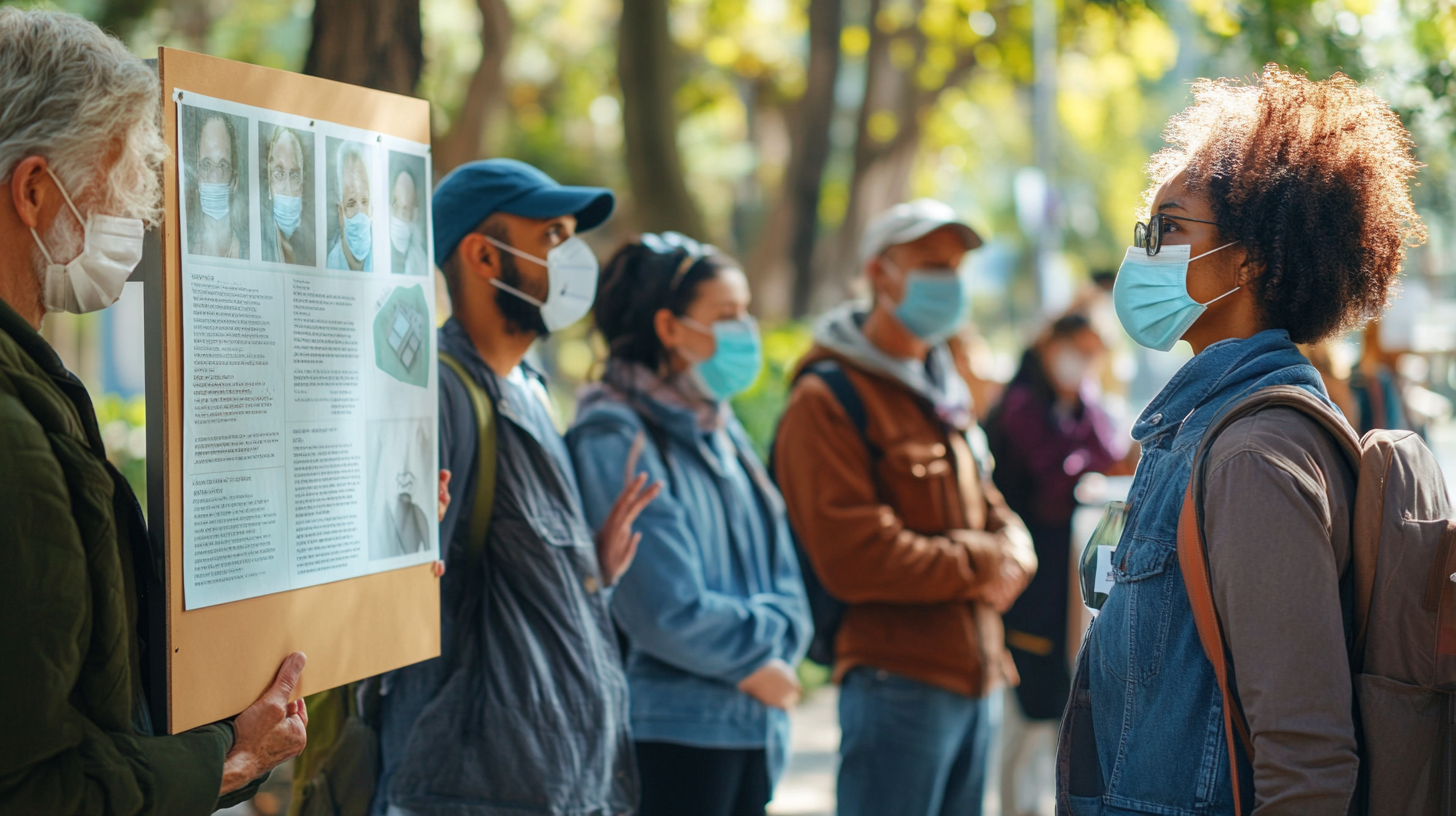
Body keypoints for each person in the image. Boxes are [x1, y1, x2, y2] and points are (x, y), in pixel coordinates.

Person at [1059, 66, 1425, 815]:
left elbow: (1307, 758)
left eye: (1169, 228)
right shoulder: (1201, 433)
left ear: (1251, 257)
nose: (1143, 254)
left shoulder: (1253, 456)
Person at [0, 9, 309, 813]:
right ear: (34, 190)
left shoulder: (33, 390)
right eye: (121, 178)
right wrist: (226, 760)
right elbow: (32, 787)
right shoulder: (12, 436)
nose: (135, 217)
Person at [373, 158, 659, 816]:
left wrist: (589, 570)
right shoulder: (438, 392)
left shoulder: (530, 388)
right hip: (473, 788)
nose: (573, 257)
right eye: (552, 236)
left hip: (557, 783)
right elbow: (404, 594)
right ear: (483, 256)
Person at [774, 198, 1037, 816]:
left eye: (953, 267)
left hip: (978, 676)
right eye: (929, 265)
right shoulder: (827, 398)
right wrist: (984, 562)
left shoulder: (939, 386)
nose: (946, 282)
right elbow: (855, 555)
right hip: (897, 684)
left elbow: (989, 500)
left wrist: (1015, 547)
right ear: (878, 275)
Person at [567, 233, 813, 816]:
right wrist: (756, 659)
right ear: (670, 328)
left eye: (745, 311)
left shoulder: (720, 429)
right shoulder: (616, 437)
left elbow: (784, 567)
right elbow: (660, 605)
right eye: (726, 315)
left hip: (750, 726)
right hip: (672, 735)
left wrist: (777, 645)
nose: (745, 329)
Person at [985, 312, 1127, 722]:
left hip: (1070, 581)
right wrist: (1088, 473)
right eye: (1076, 350)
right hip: (1029, 581)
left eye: (1091, 354)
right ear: (1049, 345)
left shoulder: (1086, 403)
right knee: (1028, 712)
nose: (1082, 361)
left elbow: (1111, 457)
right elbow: (1052, 487)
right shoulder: (1019, 406)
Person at [188, 111, 244, 259]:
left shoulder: (246, 252)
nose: (213, 176)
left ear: (234, 181)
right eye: (206, 165)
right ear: (197, 175)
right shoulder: (187, 249)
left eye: (222, 165)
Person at [262, 124, 311, 266]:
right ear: (269, 181)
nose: (287, 187)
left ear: (302, 186)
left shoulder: (311, 249)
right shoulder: (259, 243)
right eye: (278, 174)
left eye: (294, 176)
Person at [328, 141, 372, 271]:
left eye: (365, 201)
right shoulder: (330, 264)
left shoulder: (382, 259)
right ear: (340, 213)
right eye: (351, 202)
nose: (360, 212)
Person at [389, 168, 429, 276]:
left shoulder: (422, 264)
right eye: (395, 205)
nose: (400, 215)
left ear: (415, 214)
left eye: (406, 209)